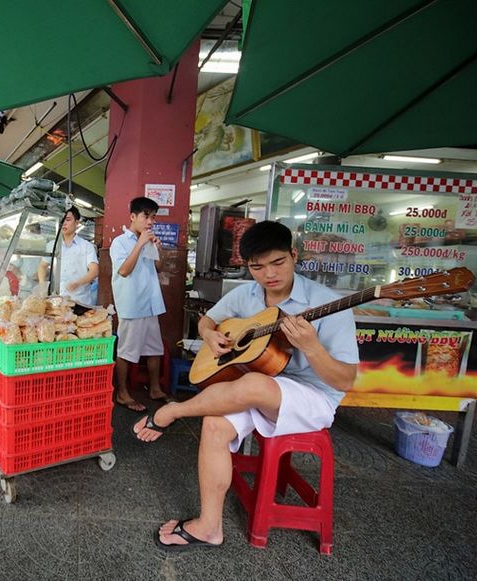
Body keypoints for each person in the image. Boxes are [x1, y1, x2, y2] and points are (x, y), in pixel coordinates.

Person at [132, 220, 359, 551]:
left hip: (312, 396)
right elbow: (208, 320)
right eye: (257, 266)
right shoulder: (247, 294)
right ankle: (210, 526)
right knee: (214, 424)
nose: (269, 274)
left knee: (253, 382)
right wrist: (209, 334)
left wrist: (311, 347)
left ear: (294, 255)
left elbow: (346, 380)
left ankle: (173, 411)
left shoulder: (329, 305)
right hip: (261, 385)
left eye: (278, 263)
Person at [110, 196, 168, 411]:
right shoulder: (120, 242)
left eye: (153, 217)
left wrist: (156, 248)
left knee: (155, 349)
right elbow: (124, 271)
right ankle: (123, 394)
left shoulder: (148, 239)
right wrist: (141, 244)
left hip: (151, 303)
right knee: (126, 351)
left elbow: (158, 267)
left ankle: (154, 389)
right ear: (133, 217)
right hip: (132, 306)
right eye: (146, 216)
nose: (150, 221)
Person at [38, 206, 99, 305]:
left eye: (68, 220)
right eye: (62, 220)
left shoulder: (86, 246)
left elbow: (95, 271)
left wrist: (78, 283)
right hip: (58, 300)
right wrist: (42, 286)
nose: (64, 223)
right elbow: (42, 266)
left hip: (80, 301)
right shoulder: (52, 245)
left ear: (77, 223)